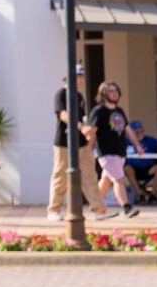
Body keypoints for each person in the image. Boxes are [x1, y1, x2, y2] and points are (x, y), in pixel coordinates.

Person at [49, 66, 100, 221]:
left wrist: (89, 129)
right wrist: (80, 126)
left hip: (81, 143)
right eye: (78, 76)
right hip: (64, 142)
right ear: (68, 77)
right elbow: (63, 115)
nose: (80, 80)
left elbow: (83, 117)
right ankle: (53, 210)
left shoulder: (78, 96)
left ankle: (98, 209)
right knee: (60, 176)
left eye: (82, 76)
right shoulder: (61, 94)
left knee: (89, 174)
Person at [89, 80, 139, 219]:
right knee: (119, 179)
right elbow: (92, 131)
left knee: (106, 180)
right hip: (106, 153)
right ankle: (126, 207)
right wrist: (88, 149)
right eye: (111, 91)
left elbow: (127, 129)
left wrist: (137, 145)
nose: (114, 93)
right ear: (104, 93)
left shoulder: (119, 111)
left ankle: (96, 207)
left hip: (120, 152)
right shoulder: (98, 111)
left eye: (116, 90)